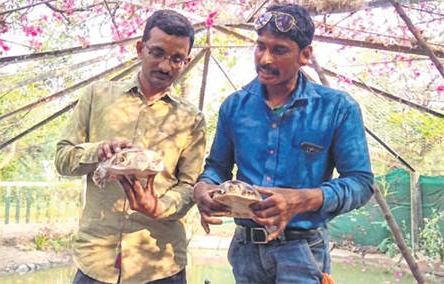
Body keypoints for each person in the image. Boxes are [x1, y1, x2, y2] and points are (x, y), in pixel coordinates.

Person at [193, 4, 374, 284]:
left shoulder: (336, 108)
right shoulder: (235, 107)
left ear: (305, 55)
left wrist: (304, 199)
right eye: (260, 46)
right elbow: (217, 167)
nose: (265, 59)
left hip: (303, 252)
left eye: (279, 50)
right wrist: (203, 187)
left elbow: (361, 183)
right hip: (246, 250)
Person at [55, 9, 206, 284]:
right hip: (96, 262)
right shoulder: (97, 96)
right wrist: (98, 151)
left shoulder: (191, 119)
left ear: (185, 62)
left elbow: (190, 186)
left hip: (160, 265)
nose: (165, 66)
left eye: (176, 59)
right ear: (141, 48)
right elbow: (63, 159)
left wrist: (159, 207)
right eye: (157, 53)